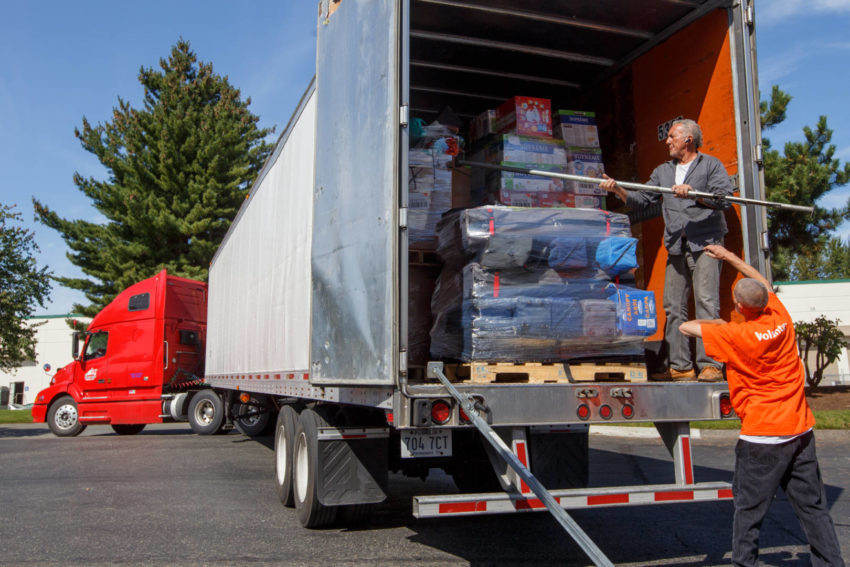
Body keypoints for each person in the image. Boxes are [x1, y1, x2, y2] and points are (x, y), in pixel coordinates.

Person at [679, 244, 844, 567]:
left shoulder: (737, 336)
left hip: (762, 439)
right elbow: (762, 283)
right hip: (799, 431)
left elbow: (687, 328)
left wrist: (718, 324)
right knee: (812, 507)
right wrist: (729, 257)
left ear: (739, 306)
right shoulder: (779, 316)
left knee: (749, 511)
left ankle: (744, 563)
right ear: (765, 302)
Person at [600, 119, 732, 382]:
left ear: (688, 140)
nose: (667, 140)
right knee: (673, 306)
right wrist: (618, 190)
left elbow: (723, 199)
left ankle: (710, 365)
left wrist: (694, 193)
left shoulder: (711, 165)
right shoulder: (662, 171)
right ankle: (681, 366)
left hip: (706, 243)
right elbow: (642, 200)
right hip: (676, 246)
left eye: (672, 136)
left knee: (706, 304)